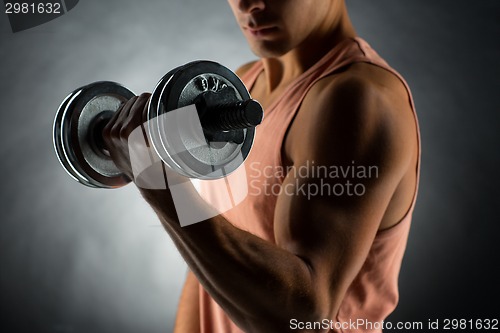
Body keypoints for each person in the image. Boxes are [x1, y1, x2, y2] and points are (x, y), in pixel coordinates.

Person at [103, 0, 420, 332]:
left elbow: (303, 318)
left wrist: (163, 185)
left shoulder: (359, 99)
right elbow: (208, 259)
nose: (247, 3)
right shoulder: (243, 83)